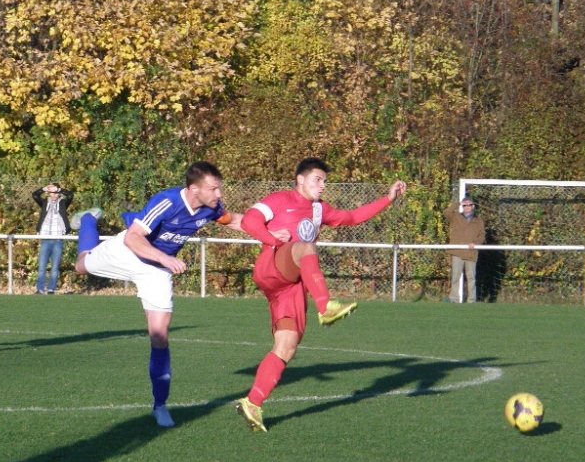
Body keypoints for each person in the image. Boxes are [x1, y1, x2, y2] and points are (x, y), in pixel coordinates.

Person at [234, 158, 407, 433]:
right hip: (271, 267)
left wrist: (387, 199)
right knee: (305, 248)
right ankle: (325, 307)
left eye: (324, 180)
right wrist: (271, 238)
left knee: (286, 347)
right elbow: (250, 221)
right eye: (317, 179)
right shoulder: (280, 199)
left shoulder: (319, 209)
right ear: (300, 179)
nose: (322, 185)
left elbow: (352, 218)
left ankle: (252, 403)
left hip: (291, 288)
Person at [73, 161, 244, 428]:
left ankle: (160, 405)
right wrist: (165, 258)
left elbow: (234, 221)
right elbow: (133, 238)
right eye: (213, 189)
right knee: (81, 266)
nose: (219, 195)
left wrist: (273, 233)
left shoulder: (210, 208)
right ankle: (88, 219)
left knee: (159, 335)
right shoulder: (167, 201)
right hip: (127, 253)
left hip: (156, 270)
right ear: (193, 189)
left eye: (219, 189)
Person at [32, 183, 73, 294]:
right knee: (42, 266)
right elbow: (35, 195)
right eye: (52, 193)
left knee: (55, 267)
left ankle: (51, 289)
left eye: (56, 193)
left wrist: (59, 189)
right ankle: (40, 289)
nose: (54, 195)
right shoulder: (45, 203)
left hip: (58, 239)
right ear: (49, 193)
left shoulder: (63, 203)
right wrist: (44, 189)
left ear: (58, 194)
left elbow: (70, 195)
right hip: (45, 238)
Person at [443, 195, 485, 304]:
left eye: (469, 205)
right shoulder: (456, 217)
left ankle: (471, 300)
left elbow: (482, 236)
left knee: (471, 277)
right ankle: (454, 299)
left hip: (471, 253)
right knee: (456, 276)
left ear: (473, 206)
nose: (467, 207)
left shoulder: (479, 221)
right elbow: (446, 212)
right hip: (457, 252)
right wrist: (458, 204)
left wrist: (475, 244)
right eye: (465, 205)